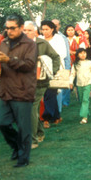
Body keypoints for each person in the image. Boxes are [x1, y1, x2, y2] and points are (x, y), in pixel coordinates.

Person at [0, 14, 37, 168]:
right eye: (7, 28)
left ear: (20, 27)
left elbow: (29, 65)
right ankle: (16, 147)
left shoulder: (30, 44)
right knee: (1, 123)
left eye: (12, 28)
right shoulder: (3, 42)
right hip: (6, 90)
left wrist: (9, 61)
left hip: (22, 91)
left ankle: (23, 158)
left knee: (24, 128)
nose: (9, 31)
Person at [23, 21, 60, 149]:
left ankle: (32, 140)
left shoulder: (42, 43)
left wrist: (52, 72)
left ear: (35, 31)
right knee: (30, 108)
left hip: (40, 82)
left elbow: (56, 57)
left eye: (29, 30)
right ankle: (39, 132)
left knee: (31, 107)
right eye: (24, 30)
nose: (26, 33)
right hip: (26, 81)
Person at [40, 20, 67, 128]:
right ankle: (56, 116)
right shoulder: (40, 39)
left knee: (49, 93)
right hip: (42, 69)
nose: (45, 31)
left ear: (52, 29)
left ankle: (47, 118)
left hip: (55, 69)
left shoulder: (58, 39)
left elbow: (63, 54)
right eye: (43, 29)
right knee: (48, 93)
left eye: (47, 29)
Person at [69, 48, 91, 124]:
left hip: (88, 84)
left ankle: (84, 117)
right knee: (81, 100)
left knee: (85, 100)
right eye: (81, 53)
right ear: (77, 55)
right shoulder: (75, 64)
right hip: (79, 84)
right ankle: (86, 112)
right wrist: (71, 82)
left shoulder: (89, 63)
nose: (83, 55)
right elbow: (72, 74)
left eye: (84, 53)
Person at [52, 19, 72, 108]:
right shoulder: (45, 36)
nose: (55, 27)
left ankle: (62, 104)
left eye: (57, 25)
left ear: (59, 26)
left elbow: (67, 54)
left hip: (61, 64)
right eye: (53, 25)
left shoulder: (62, 37)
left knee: (60, 87)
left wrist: (67, 68)